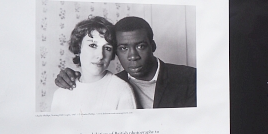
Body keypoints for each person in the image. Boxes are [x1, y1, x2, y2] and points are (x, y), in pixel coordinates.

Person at [55, 16, 197, 108]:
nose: (133, 56)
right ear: (116, 52)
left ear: (153, 46)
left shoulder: (190, 78)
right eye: (123, 48)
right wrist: (71, 78)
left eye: (141, 46)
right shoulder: (115, 83)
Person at [51, 17, 137, 112]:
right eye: (93, 45)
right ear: (78, 48)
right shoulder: (60, 94)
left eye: (107, 48)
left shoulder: (121, 90)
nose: (100, 55)